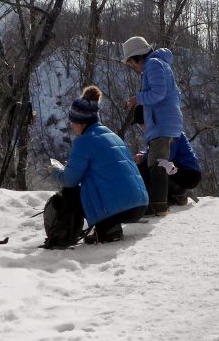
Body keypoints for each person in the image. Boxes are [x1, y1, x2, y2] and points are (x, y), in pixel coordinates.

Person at [53, 86, 148, 244]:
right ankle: (110, 227)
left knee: (70, 191)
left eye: (73, 121)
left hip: (120, 208)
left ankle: (103, 229)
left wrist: (55, 171)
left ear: (81, 122)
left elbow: (70, 180)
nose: (72, 125)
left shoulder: (84, 141)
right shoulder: (113, 136)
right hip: (140, 204)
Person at [122, 35, 184, 215]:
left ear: (138, 57)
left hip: (162, 122)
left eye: (132, 62)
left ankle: (159, 205)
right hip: (164, 121)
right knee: (157, 161)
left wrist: (137, 99)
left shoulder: (153, 65)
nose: (133, 67)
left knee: (157, 163)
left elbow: (158, 93)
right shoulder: (159, 64)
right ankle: (160, 202)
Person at [130, 104, 201, 204]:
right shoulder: (159, 130)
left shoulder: (166, 131)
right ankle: (173, 194)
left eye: (142, 124)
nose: (142, 127)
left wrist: (145, 158)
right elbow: (158, 152)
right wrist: (144, 155)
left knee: (149, 168)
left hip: (188, 174)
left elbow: (165, 155)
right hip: (181, 171)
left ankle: (178, 193)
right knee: (147, 166)